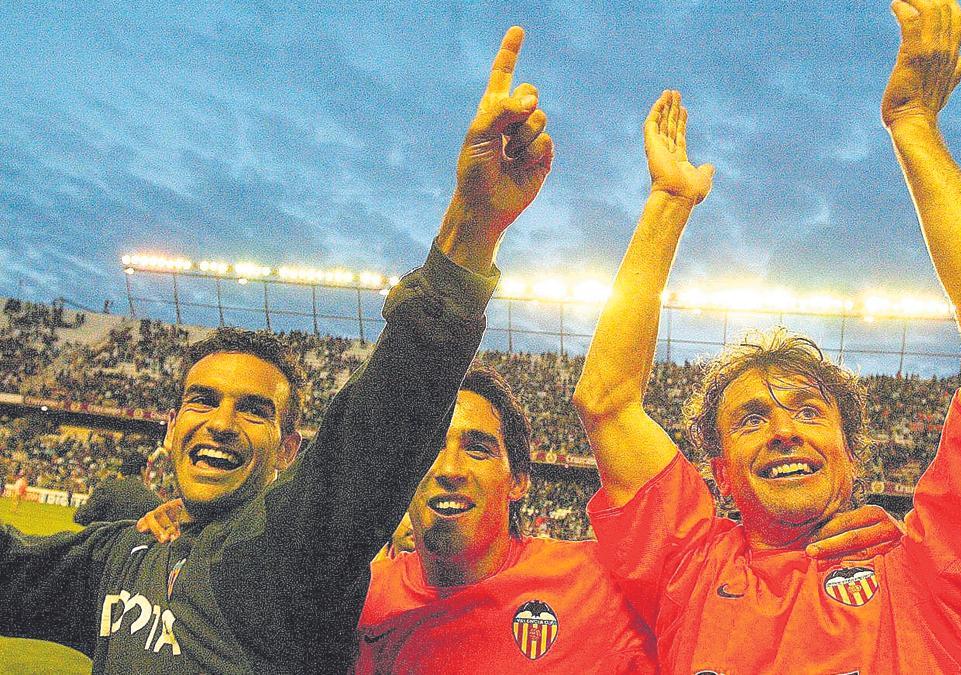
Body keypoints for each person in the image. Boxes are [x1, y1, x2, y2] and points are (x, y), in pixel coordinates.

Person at [0, 25, 551, 673]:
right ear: (171, 428)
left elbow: (378, 429)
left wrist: (471, 227)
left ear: (290, 448)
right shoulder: (115, 560)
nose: (222, 422)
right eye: (202, 400)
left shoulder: (290, 554)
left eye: (256, 410)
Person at [572, 3, 961, 672]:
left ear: (850, 454)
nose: (784, 429)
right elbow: (607, 400)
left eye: (808, 410)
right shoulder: (689, 567)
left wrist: (915, 130)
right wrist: (668, 201)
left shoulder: (933, 578)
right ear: (722, 472)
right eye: (752, 417)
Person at [351, 365, 904, 673]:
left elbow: (608, 402)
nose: (447, 468)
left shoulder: (603, 578)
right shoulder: (361, 599)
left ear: (519, 478)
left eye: (477, 448)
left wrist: (846, 549)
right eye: (426, 448)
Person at [73, 452, 163, 526]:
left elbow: (81, 517)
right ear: (142, 470)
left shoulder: (107, 488)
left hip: (105, 545)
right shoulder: (154, 500)